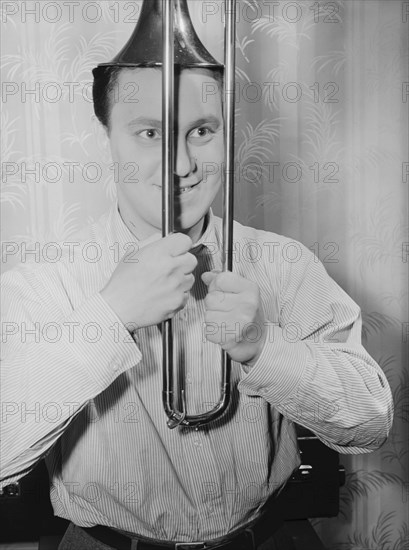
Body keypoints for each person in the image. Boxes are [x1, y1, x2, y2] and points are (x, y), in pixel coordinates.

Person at [1, 4, 393, 549]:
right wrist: (108, 318)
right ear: (107, 137)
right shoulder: (46, 280)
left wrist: (264, 347)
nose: (181, 164)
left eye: (202, 131)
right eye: (148, 133)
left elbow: (372, 420)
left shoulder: (285, 262)